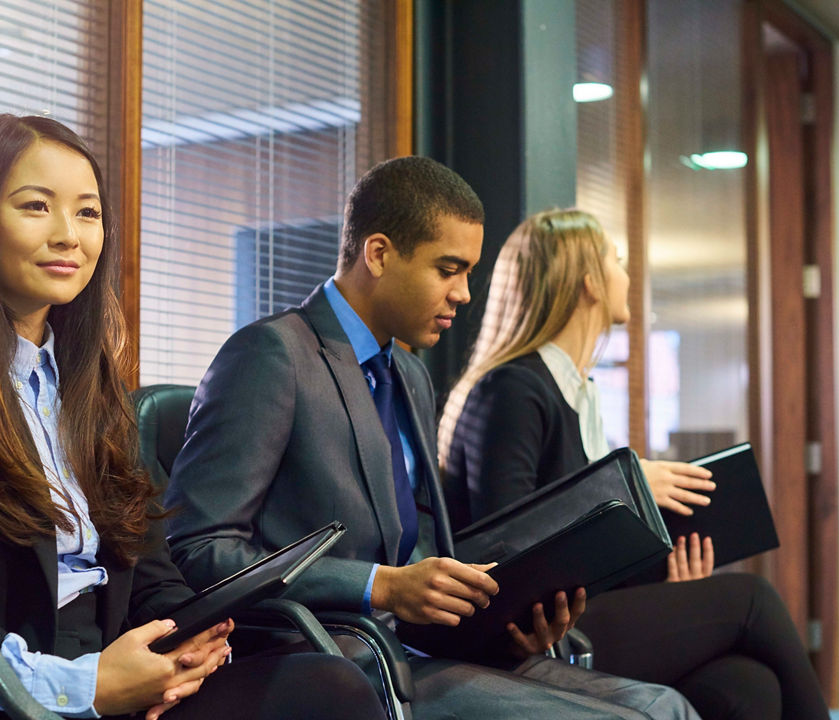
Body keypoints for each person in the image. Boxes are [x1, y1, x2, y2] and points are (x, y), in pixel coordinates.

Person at [0, 114, 387, 720]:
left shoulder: (92, 392)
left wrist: (188, 647)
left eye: (88, 213)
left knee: (330, 684)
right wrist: (84, 685)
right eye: (36, 206)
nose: (70, 236)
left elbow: (149, 569)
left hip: (121, 673)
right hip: (5, 694)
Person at [165, 156, 700, 719]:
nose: (465, 293)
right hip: (335, 658)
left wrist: (510, 617)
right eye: (448, 269)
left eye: (468, 272)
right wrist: (380, 586)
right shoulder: (272, 355)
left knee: (666, 706)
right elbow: (200, 550)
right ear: (378, 254)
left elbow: (420, 548)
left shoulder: (411, 375)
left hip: (429, 647)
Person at [439, 208, 831, 720]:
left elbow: (585, 547)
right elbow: (510, 553)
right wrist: (623, 486)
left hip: (583, 610)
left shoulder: (581, 392)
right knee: (752, 599)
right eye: (617, 261)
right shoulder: (513, 388)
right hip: (532, 635)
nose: (627, 276)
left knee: (746, 687)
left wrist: (663, 583)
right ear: (589, 282)